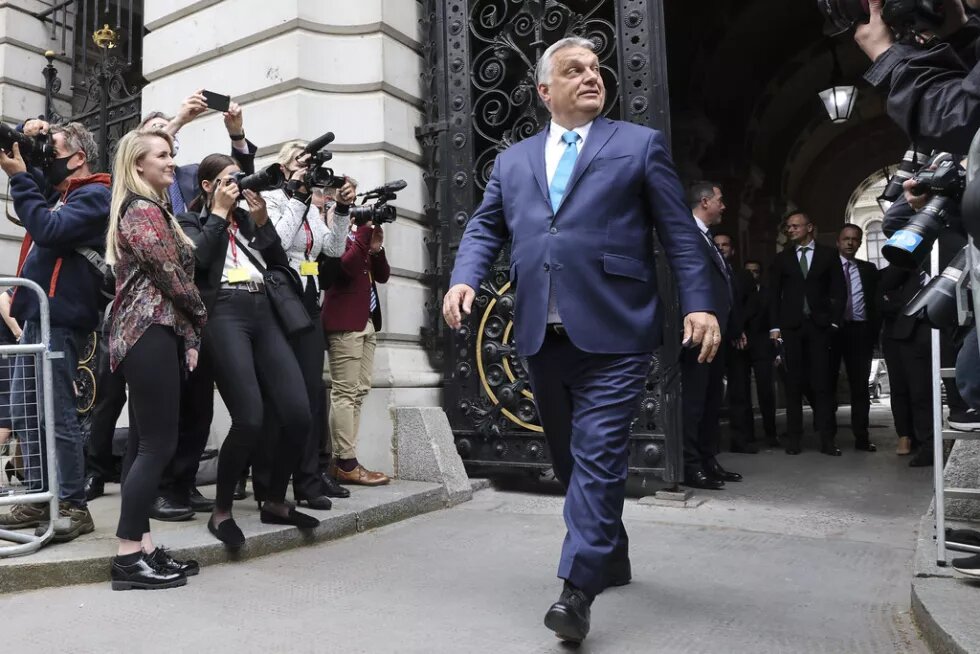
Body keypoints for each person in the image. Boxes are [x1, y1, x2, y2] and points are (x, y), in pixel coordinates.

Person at [442, 37, 720, 643]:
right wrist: (463, 280)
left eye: (596, 69)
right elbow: (486, 227)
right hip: (542, 333)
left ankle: (576, 590)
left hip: (617, 332)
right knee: (571, 460)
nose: (592, 77)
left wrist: (700, 303)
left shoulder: (638, 146)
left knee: (596, 456)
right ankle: (610, 551)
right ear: (546, 91)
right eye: (575, 71)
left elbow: (679, 234)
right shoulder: (513, 161)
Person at [176, 154, 316, 550]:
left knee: (298, 413)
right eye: (227, 180)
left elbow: (276, 261)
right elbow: (198, 261)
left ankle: (273, 501)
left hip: (264, 309)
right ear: (208, 186)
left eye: (237, 179)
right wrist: (218, 215)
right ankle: (222, 512)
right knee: (249, 417)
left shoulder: (248, 220)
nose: (236, 186)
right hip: (223, 313)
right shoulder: (190, 222)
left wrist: (262, 223)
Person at [105, 128, 207, 589]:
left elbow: (166, 285)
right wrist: (200, 316)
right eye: (162, 155)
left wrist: (187, 335)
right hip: (146, 333)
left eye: (172, 154)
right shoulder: (141, 210)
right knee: (157, 445)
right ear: (138, 165)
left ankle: (141, 546)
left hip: (151, 331)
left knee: (144, 442)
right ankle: (128, 558)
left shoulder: (154, 209)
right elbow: (170, 275)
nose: (171, 162)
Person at [0, 120, 109, 541]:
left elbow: (48, 230)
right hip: (39, 318)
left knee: (57, 413)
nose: (48, 154)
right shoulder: (60, 194)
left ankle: (72, 505)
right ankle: (38, 494)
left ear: (78, 158)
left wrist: (20, 177)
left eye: (56, 149)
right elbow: (34, 193)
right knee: (26, 409)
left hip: (62, 319)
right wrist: (28, 139)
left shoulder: (96, 195)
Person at [257, 141, 355, 506]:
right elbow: (277, 243)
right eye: (301, 161)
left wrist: (342, 209)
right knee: (280, 395)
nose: (308, 169)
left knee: (312, 393)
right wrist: (298, 196)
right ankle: (270, 483)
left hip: (310, 303)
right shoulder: (270, 198)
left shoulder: (313, 205)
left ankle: (308, 481)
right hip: (280, 303)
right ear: (284, 167)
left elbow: (331, 248)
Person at [321, 199, 392, 487]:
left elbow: (383, 276)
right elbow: (346, 269)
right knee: (344, 392)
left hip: (367, 322)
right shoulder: (335, 239)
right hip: (344, 323)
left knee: (360, 390)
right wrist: (363, 233)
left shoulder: (361, 241)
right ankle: (345, 462)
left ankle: (346, 458)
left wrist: (378, 248)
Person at [680, 183, 742, 491]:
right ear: (705, 202)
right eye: (720, 200)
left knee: (711, 401)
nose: (724, 205)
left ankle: (707, 459)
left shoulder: (706, 237)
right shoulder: (686, 235)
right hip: (697, 334)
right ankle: (690, 465)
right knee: (694, 402)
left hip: (716, 335)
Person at [769, 211, 846, 456]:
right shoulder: (782, 259)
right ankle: (794, 439)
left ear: (809, 227)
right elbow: (773, 295)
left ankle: (827, 439)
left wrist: (834, 323)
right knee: (793, 384)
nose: (790, 230)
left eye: (795, 226)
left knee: (822, 384)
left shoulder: (828, 255)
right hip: (791, 328)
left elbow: (839, 291)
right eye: (788, 227)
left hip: (820, 328)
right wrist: (774, 327)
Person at [830, 224, 881, 452]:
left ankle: (862, 437)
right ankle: (828, 437)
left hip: (860, 331)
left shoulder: (869, 270)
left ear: (860, 243)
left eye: (855, 239)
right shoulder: (827, 269)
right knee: (827, 384)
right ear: (838, 242)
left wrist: (874, 331)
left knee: (860, 387)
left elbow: (876, 303)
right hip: (833, 331)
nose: (850, 243)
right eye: (846, 239)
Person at [878, 264, 934, 464]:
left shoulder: (941, 260)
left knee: (924, 391)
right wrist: (911, 306)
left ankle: (930, 440)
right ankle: (909, 436)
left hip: (936, 334)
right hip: (900, 337)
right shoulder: (897, 271)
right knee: (904, 389)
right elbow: (881, 299)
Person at [713, 231, 761, 455]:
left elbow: (751, 306)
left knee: (739, 391)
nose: (722, 248)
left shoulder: (743, 276)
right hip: (712, 338)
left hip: (737, 340)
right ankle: (710, 443)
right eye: (718, 245)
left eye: (726, 244)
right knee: (709, 392)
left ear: (732, 250)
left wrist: (737, 329)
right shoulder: (706, 272)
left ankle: (742, 440)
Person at [735, 260, 779, 447]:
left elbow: (773, 318)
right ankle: (746, 436)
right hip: (739, 343)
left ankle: (770, 433)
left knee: (765, 390)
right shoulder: (736, 292)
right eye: (749, 271)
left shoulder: (767, 293)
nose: (752, 275)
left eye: (755, 271)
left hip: (762, 345)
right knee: (741, 391)